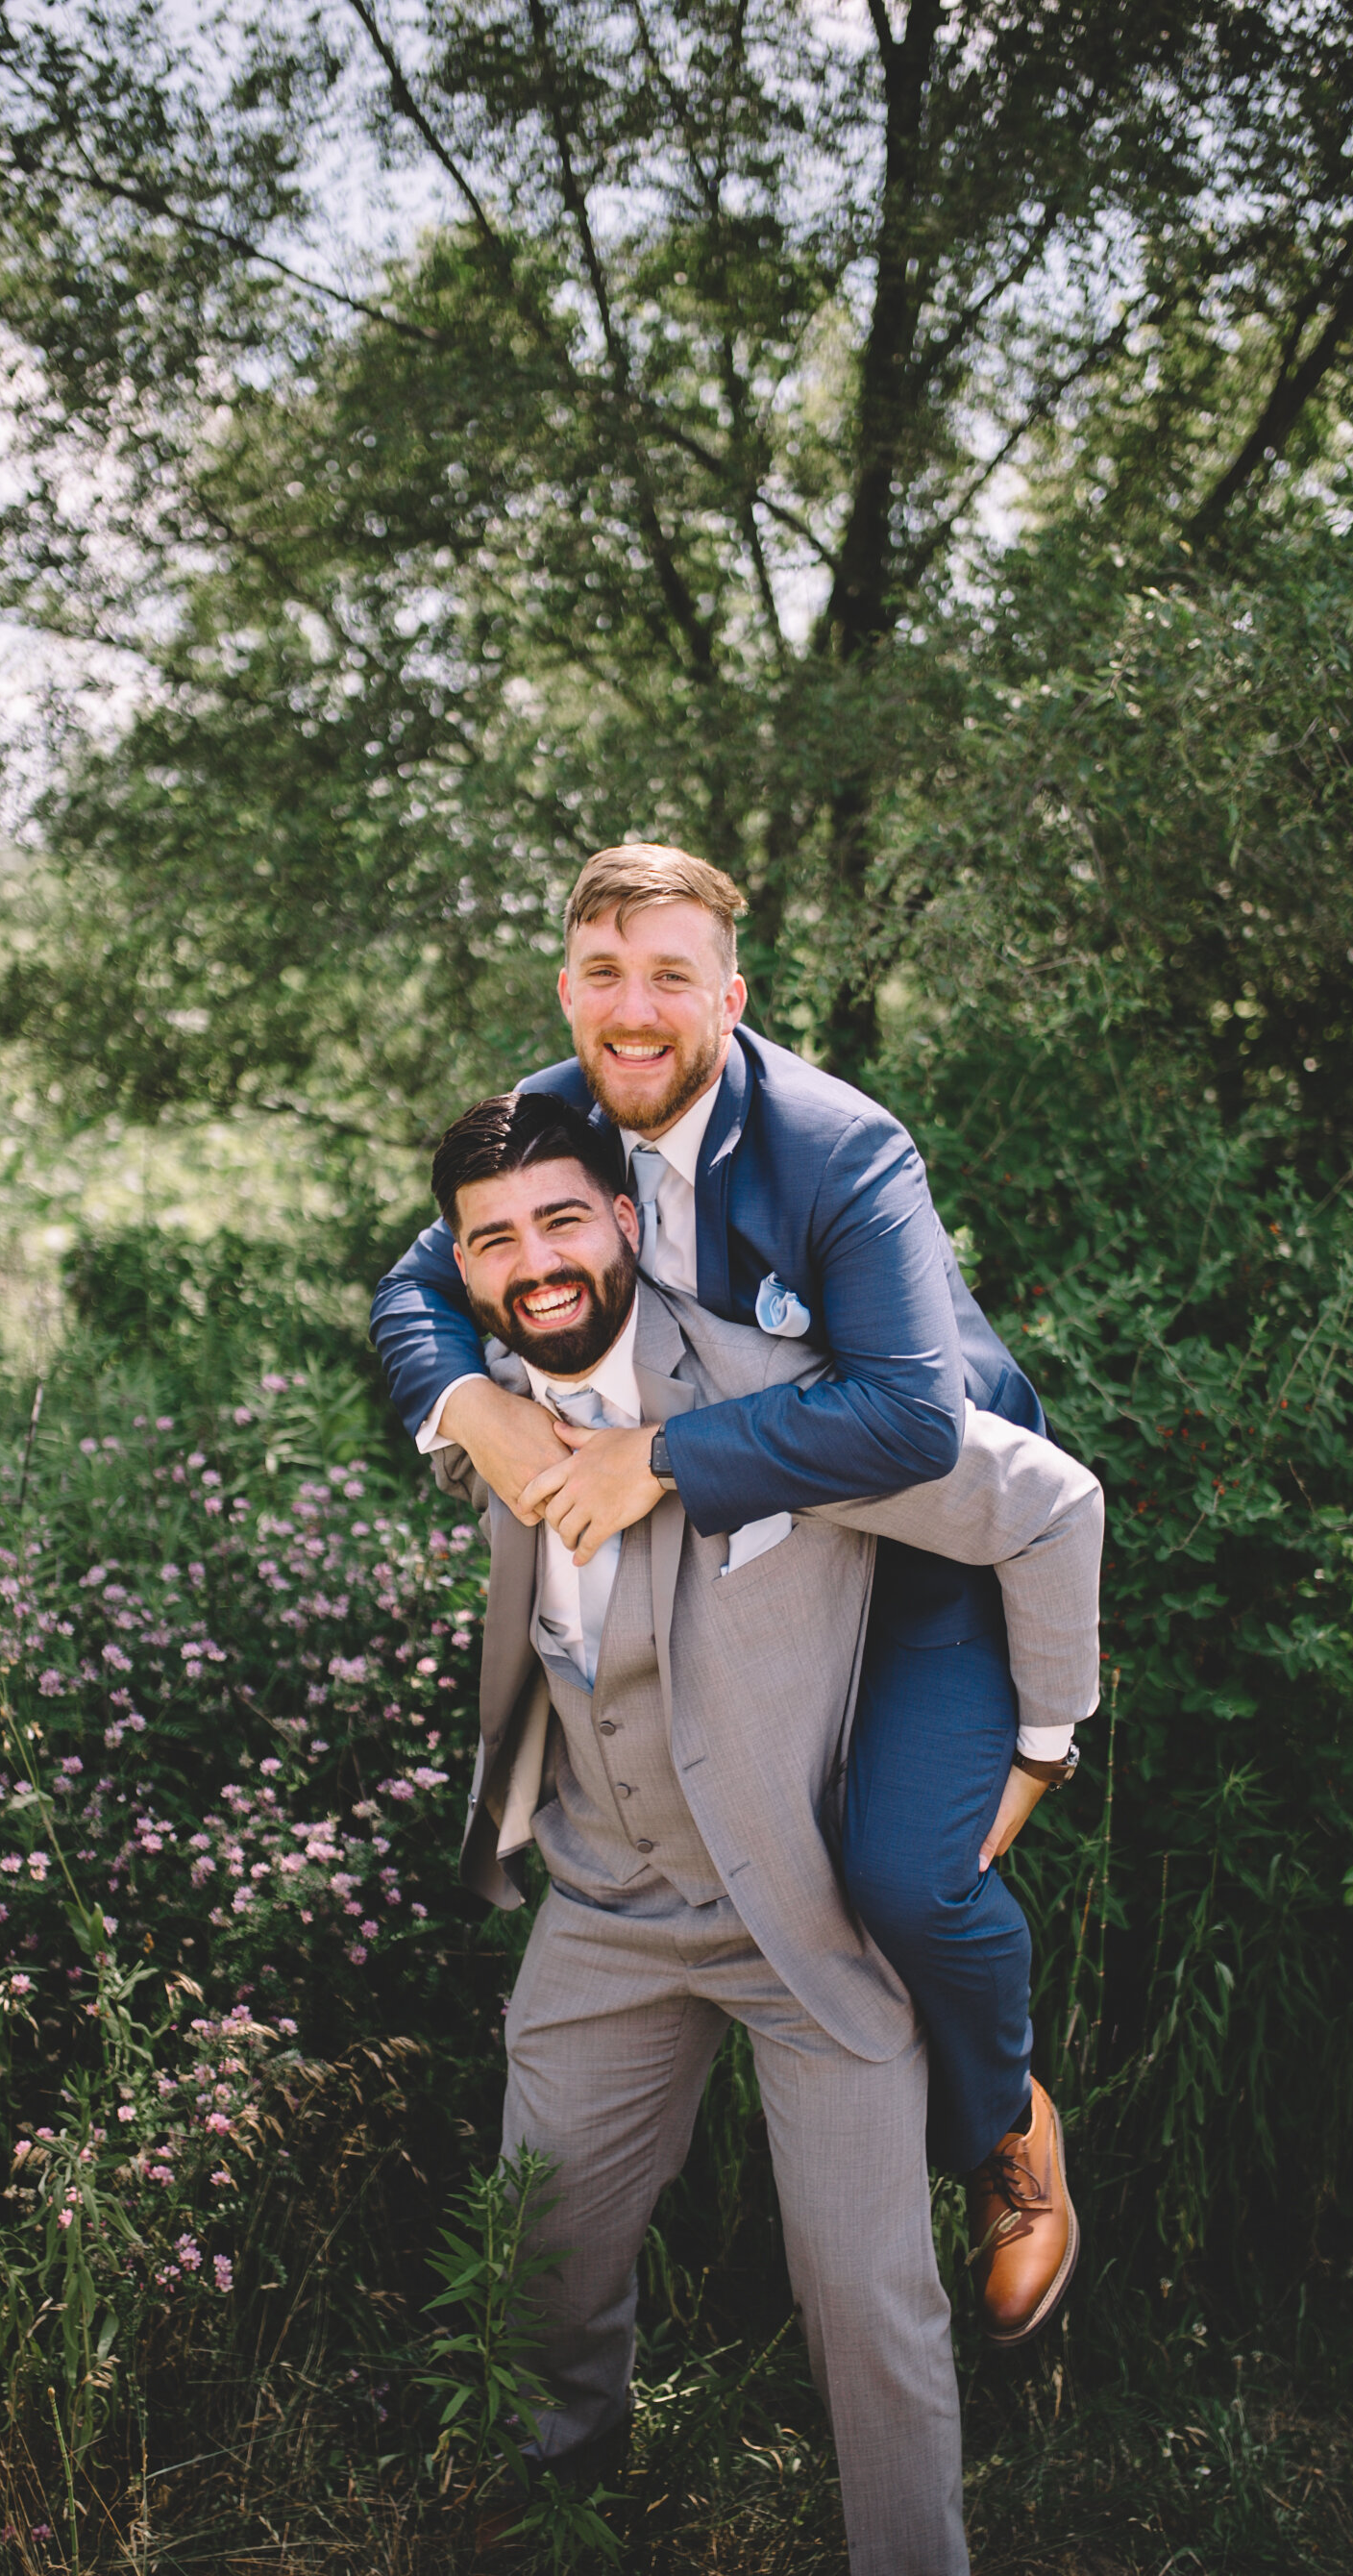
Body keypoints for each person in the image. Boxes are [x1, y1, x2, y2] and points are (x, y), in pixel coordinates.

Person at [410, 1088, 1103, 2576]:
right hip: (608, 1903)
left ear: (632, 1227)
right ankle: (552, 2502)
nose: (536, 1260)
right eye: (495, 1239)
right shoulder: (481, 1404)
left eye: (565, 1222)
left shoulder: (790, 1398)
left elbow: (1049, 1505)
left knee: (866, 2293)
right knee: (548, 2240)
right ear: (462, 1266)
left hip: (805, 1924)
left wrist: (1039, 1746)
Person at [372, 842, 1095, 2329]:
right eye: (603, 977)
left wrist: (666, 1457)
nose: (633, 1012)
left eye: (670, 978)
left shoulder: (842, 1145)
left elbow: (908, 1414)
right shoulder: (560, 1109)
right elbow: (412, 1287)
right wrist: (475, 1408)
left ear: (732, 995)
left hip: (925, 1548)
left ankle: (1003, 2130)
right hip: (753, 1555)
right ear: (566, 987)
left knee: (900, 1871)